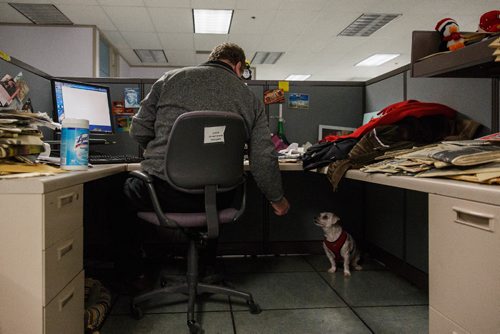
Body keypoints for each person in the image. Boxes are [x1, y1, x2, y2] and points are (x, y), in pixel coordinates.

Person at [124, 42, 290, 216]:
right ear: (238, 66)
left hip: (163, 191)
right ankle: (205, 241)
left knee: (127, 187)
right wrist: (277, 200)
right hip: (222, 196)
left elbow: (139, 131)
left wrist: (161, 151)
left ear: (211, 60)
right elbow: (263, 157)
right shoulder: (251, 99)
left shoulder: (168, 80)